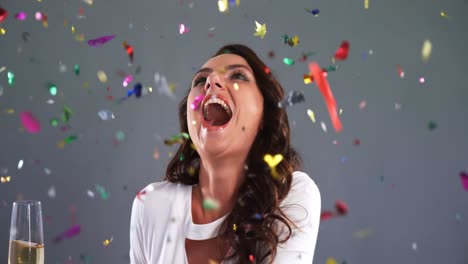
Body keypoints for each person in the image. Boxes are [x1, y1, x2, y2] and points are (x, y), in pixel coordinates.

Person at [130, 44, 321, 264]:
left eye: (238, 76)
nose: (211, 82)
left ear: (264, 116)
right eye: (201, 80)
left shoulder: (290, 194)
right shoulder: (151, 205)